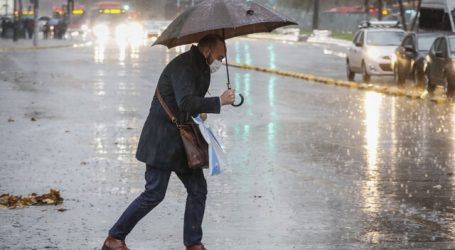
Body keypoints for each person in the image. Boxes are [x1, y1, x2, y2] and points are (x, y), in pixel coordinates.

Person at [102, 34, 236, 250]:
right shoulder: (184, 66)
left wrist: (200, 110)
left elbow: (186, 102)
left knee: (198, 189)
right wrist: (219, 101)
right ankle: (114, 238)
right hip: (162, 141)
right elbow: (185, 101)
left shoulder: (198, 65)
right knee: (154, 193)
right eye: (220, 56)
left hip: (181, 142)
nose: (219, 61)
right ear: (208, 50)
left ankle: (193, 243)